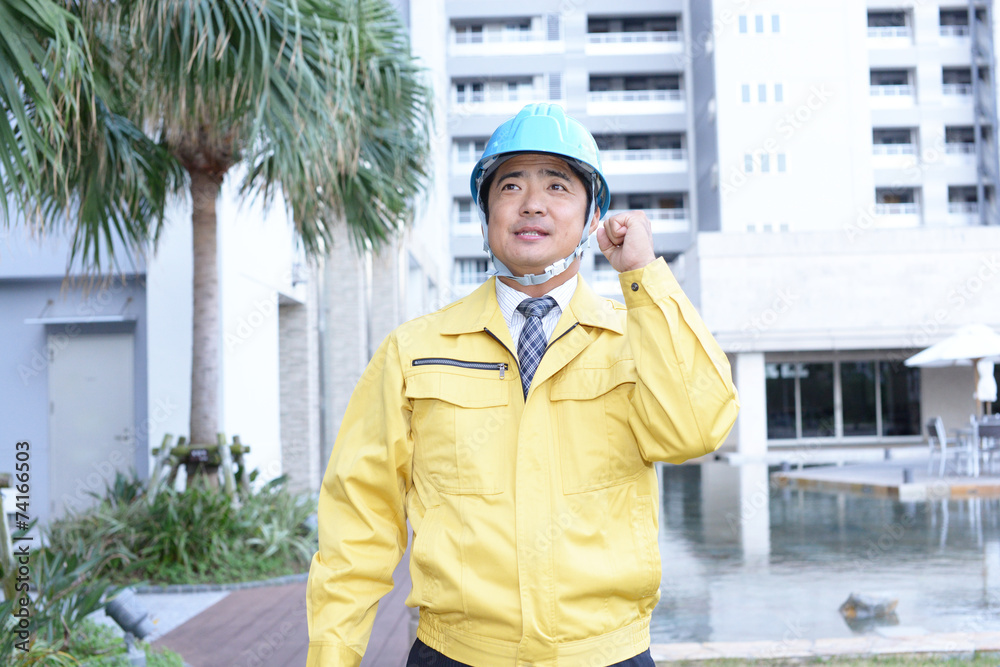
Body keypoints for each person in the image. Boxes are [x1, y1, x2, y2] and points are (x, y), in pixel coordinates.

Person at [306, 103, 739, 667]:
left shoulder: (638, 336)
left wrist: (643, 275)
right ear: (486, 213)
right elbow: (359, 518)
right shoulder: (414, 350)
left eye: (557, 185)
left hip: (607, 655)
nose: (532, 203)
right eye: (510, 185)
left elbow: (697, 431)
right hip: (456, 654)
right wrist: (332, 656)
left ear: (593, 215)